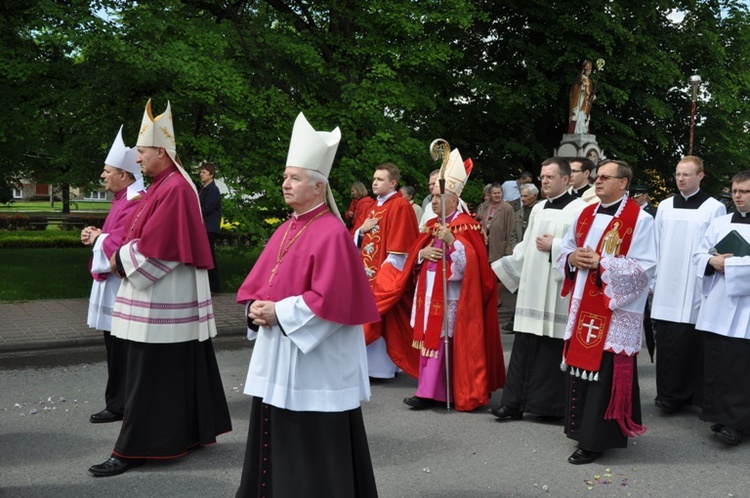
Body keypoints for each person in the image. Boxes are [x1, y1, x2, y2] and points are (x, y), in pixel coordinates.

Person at [235, 113, 379, 496]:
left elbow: (333, 301)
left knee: (311, 445)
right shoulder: (287, 228)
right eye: (285, 176)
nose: (285, 183)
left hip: (317, 364)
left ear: (318, 187)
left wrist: (278, 312)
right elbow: (260, 284)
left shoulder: (332, 232)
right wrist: (253, 309)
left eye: (294, 177)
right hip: (283, 353)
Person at [89, 99, 231, 477]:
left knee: (146, 376)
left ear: (162, 152)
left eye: (143, 152)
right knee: (173, 372)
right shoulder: (167, 185)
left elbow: (159, 249)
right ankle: (190, 434)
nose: (137, 159)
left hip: (161, 300)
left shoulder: (174, 188)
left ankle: (133, 449)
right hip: (168, 297)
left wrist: (119, 258)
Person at [556, 160, 656, 465]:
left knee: (605, 371)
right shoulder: (585, 214)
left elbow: (645, 267)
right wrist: (573, 257)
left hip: (614, 310)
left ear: (623, 183)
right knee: (583, 369)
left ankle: (597, 439)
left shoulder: (639, 220)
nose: (597, 182)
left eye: (604, 177)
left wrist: (602, 263)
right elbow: (565, 249)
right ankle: (579, 430)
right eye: (596, 177)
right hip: (584, 303)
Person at [397, 149, 504, 411]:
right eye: (432, 197)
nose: (433, 202)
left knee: (447, 340)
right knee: (429, 339)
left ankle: (452, 390)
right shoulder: (431, 224)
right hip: (429, 289)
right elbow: (416, 256)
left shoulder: (467, 225)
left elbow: (476, 264)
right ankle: (427, 389)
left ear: (453, 198)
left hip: (454, 293)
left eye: (438, 197)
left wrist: (452, 242)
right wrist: (421, 254)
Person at [491, 158, 587, 422]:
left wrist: (555, 245)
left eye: (550, 177)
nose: (543, 181)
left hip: (557, 290)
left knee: (550, 349)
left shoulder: (582, 209)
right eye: (542, 177)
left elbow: (583, 248)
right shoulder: (539, 208)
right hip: (534, 286)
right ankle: (512, 403)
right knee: (524, 345)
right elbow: (525, 246)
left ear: (566, 180)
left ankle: (550, 407)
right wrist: (500, 269)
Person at [651, 156, 726, 414]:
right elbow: (656, 244)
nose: (681, 179)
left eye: (687, 174)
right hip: (666, 286)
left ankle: (691, 396)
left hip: (696, 284)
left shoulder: (713, 207)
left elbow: (714, 245)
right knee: (669, 342)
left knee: (692, 342)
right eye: (678, 174)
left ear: (700, 176)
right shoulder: (664, 206)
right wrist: (654, 279)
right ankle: (668, 395)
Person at [81, 125, 145, 424]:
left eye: (108, 171)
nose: (103, 176)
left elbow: (123, 244)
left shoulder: (134, 201)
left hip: (122, 286)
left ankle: (120, 404)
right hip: (115, 285)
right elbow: (114, 236)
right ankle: (119, 401)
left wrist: (98, 239)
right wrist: (98, 235)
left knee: (122, 349)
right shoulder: (121, 199)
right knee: (116, 347)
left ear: (125, 174)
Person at [693, 169, 750, 446]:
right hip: (718, 304)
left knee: (740, 367)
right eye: (735, 191)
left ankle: (737, 424)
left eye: (745, 192)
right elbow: (699, 253)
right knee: (718, 360)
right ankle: (717, 414)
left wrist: (728, 264)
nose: (737, 197)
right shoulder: (721, 222)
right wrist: (710, 262)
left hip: (746, 309)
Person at [356, 162, 419, 379]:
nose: (374, 182)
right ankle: (369, 368)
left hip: (385, 275)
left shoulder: (399, 205)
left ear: (393, 183)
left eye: (380, 179)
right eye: (373, 179)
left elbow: (400, 247)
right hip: (367, 273)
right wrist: (360, 233)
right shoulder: (372, 207)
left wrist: (387, 278)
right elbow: (359, 238)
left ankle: (382, 369)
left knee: (384, 319)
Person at [199, 162, 222, 292]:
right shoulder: (204, 189)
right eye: (201, 172)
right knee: (207, 255)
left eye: (204, 172)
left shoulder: (213, 190)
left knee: (209, 255)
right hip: (205, 227)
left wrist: (194, 211)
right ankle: (210, 286)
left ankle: (214, 286)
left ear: (211, 175)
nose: (201, 174)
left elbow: (207, 209)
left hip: (209, 228)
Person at [486, 183, 515, 263]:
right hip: (485, 245)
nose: (497, 195)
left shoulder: (507, 208)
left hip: (499, 248)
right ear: (490, 195)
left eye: (499, 193)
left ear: (502, 194)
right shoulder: (485, 206)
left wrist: (509, 250)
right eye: (494, 193)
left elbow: (511, 230)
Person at [510, 183, 539, 248]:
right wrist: (515, 248)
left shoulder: (540, 212)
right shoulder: (518, 213)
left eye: (526, 196)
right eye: (521, 196)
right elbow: (513, 234)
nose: (522, 199)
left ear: (534, 196)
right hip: (519, 249)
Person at [569, 60, 594, 134]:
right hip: (579, 100)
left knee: (584, 116)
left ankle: (583, 131)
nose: (589, 70)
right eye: (587, 68)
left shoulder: (589, 81)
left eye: (590, 69)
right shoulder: (579, 78)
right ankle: (575, 131)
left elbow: (590, 93)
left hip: (585, 102)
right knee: (577, 115)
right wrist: (581, 87)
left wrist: (592, 97)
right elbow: (574, 90)